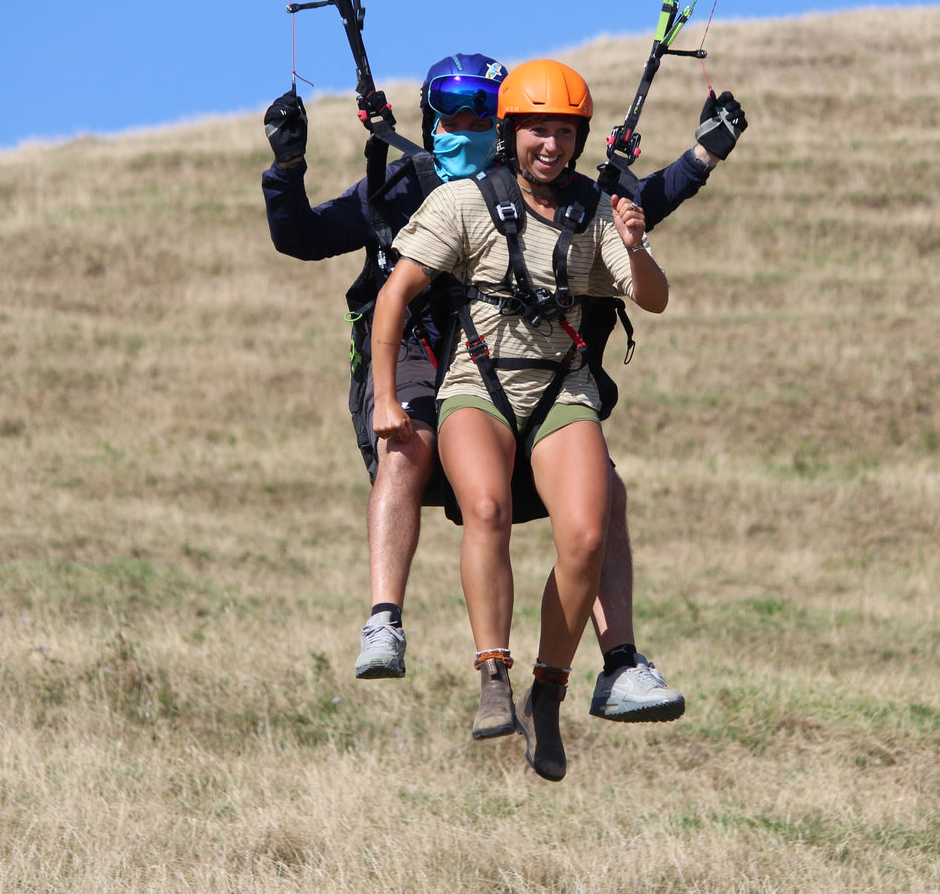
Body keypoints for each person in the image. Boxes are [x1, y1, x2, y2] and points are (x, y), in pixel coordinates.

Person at [261, 53, 747, 731]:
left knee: (603, 497)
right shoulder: (407, 188)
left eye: (478, 114)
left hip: (539, 372)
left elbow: (622, 215)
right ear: (431, 119)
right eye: (449, 114)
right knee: (408, 446)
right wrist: (285, 171)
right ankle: (385, 619)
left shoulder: (545, 191)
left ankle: (617, 659)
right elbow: (304, 237)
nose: (464, 125)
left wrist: (699, 157)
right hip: (432, 358)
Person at [372, 58, 668, 781]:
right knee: (485, 506)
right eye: (537, 128)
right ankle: (493, 673)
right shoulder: (464, 202)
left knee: (588, 535)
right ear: (510, 132)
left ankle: (549, 689)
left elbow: (654, 298)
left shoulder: (597, 211)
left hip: (561, 390)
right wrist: (384, 398)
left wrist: (631, 242)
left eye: (564, 132)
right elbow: (394, 295)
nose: (551, 144)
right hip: (477, 383)